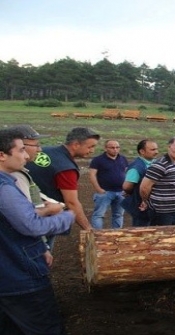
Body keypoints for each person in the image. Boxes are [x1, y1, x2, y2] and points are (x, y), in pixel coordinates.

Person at [0, 128, 75, 335]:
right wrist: (65, 217)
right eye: (21, 150)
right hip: (19, 274)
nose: (26, 155)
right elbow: (30, 225)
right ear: (2, 155)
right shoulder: (4, 186)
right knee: (45, 327)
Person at [7, 125, 66, 267]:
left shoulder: (20, 172)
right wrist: (42, 247)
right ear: (20, 146)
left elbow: (35, 194)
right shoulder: (15, 176)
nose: (40, 150)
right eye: (36, 145)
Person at [27, 127, 100, 233]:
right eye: (90, 146)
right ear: (76, 145)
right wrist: (88, 228)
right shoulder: (66, 169)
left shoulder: (45, 150)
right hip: (44, 218)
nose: (92, 150)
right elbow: (71, 202)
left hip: (22, 210)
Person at [139, 136, 175, 226]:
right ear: (169, 147)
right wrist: (145, 201)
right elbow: (144, 187)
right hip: (162, 212)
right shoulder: (160, 165)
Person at [88, 140, 128, 229]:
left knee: (118, 215)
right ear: (105, 148)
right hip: (105, 192)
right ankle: (97, 236)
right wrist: (99, 189)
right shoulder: (98, 160)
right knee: (99, 215)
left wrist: (126, 189)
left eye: (117, 147)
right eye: (112, 147)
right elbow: (92, 175)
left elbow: (126, 173)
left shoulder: (123, 159)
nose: (115, 150)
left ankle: (116, 235)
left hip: (121, 192)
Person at [122, 139, 159, 227]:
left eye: (156, 149)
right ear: (142, 151)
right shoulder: (136, 167)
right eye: (153, 150)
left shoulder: (154, 163)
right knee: (141, 232)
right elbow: (127, 186)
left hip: (152, 206)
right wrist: (132, 193)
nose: (156, 152)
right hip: (141, 207)